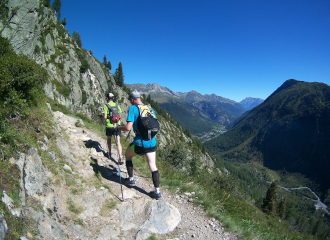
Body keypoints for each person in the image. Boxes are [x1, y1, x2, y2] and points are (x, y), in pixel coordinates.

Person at [113, 91, 161, 199]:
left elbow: (128, 128)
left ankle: (131, 181)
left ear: (132, 99)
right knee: (153, 166)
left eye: (130, 100)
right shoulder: (149, 108)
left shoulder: (133, 108)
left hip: (139, 143)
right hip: (151, 142)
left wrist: (118, 127)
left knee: (128, 155)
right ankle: (157, 192)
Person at [102, 93, 124, 163]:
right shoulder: (117, 105)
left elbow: (105, 117)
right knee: (118, 142)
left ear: (107, 98)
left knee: (109, 139)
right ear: (113, 98)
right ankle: (120, 157)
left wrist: (102, 117)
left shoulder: (106, 106)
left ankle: (109, 153)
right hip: (117, 125)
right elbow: (120, 116)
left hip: (109, 126)